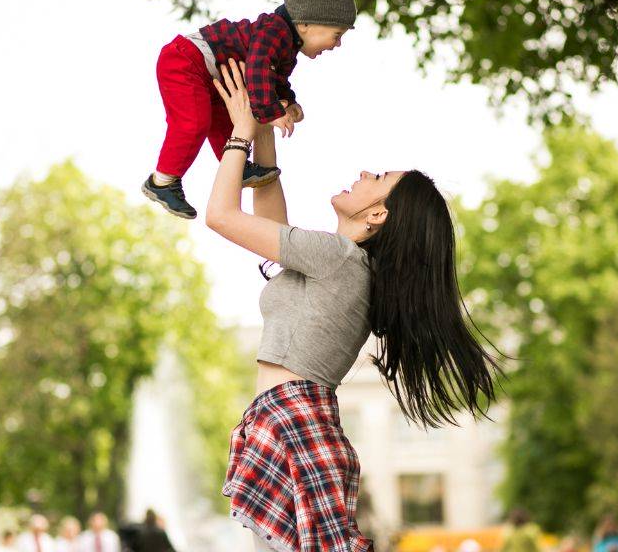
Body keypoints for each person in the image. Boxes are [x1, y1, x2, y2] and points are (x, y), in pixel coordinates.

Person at [206, 61, 501, 551]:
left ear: (378, 213)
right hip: (292, 421)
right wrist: (263, 127)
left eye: (378, 177)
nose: (364, 172)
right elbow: (269, 221)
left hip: (295, 421)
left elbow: (220, 215)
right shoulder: (344, 267)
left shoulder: (337, 259)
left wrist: (239, 132)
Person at [142, 0, 356, 219]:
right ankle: (162, 180)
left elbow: (276, 79)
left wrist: (290, 102)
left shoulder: (287, 44)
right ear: (306, 23)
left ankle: (239, 167)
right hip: (186, 62)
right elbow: (258, 68)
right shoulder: (274, 29)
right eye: (336, 35)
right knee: (194, 123)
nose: (337, 44)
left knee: (226, 124)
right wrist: (272, 112)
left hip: (213, 78)